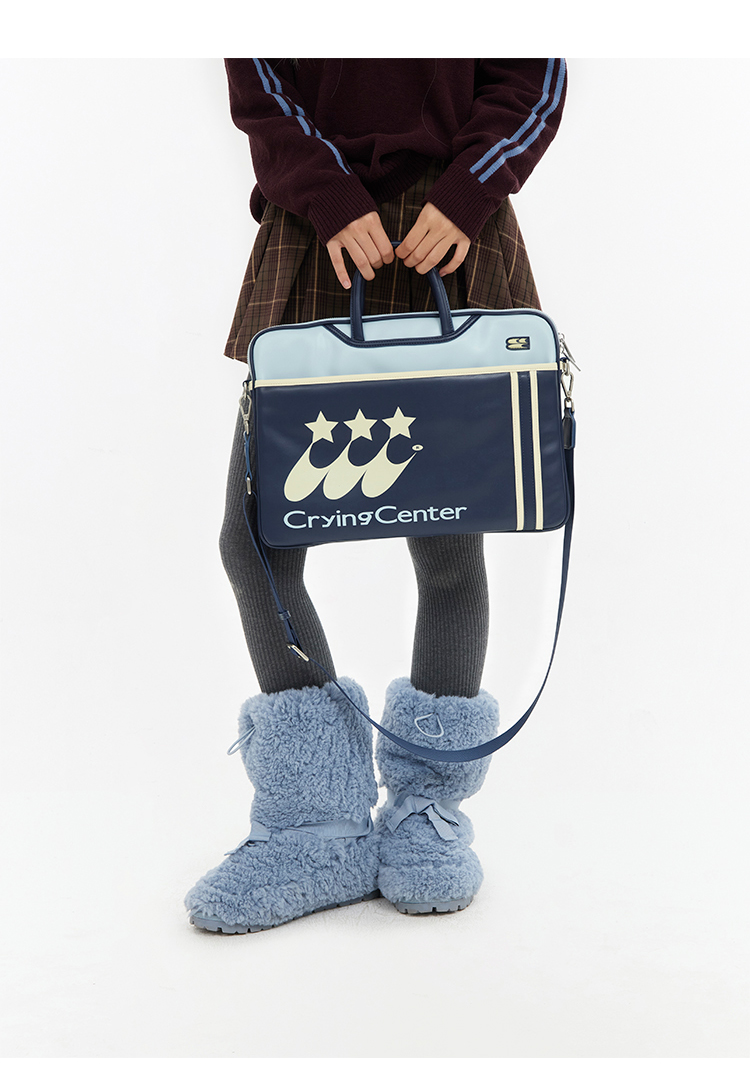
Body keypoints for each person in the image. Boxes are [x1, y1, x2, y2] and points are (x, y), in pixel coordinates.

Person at [185, 58, 567, 933]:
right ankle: (316, 827)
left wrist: (468, 190)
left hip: (449, 227)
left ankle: (427, 812)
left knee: (449, 538)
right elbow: (258, 75)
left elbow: (535, 74)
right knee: (257, 540)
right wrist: (328, 191)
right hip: (320, 228)